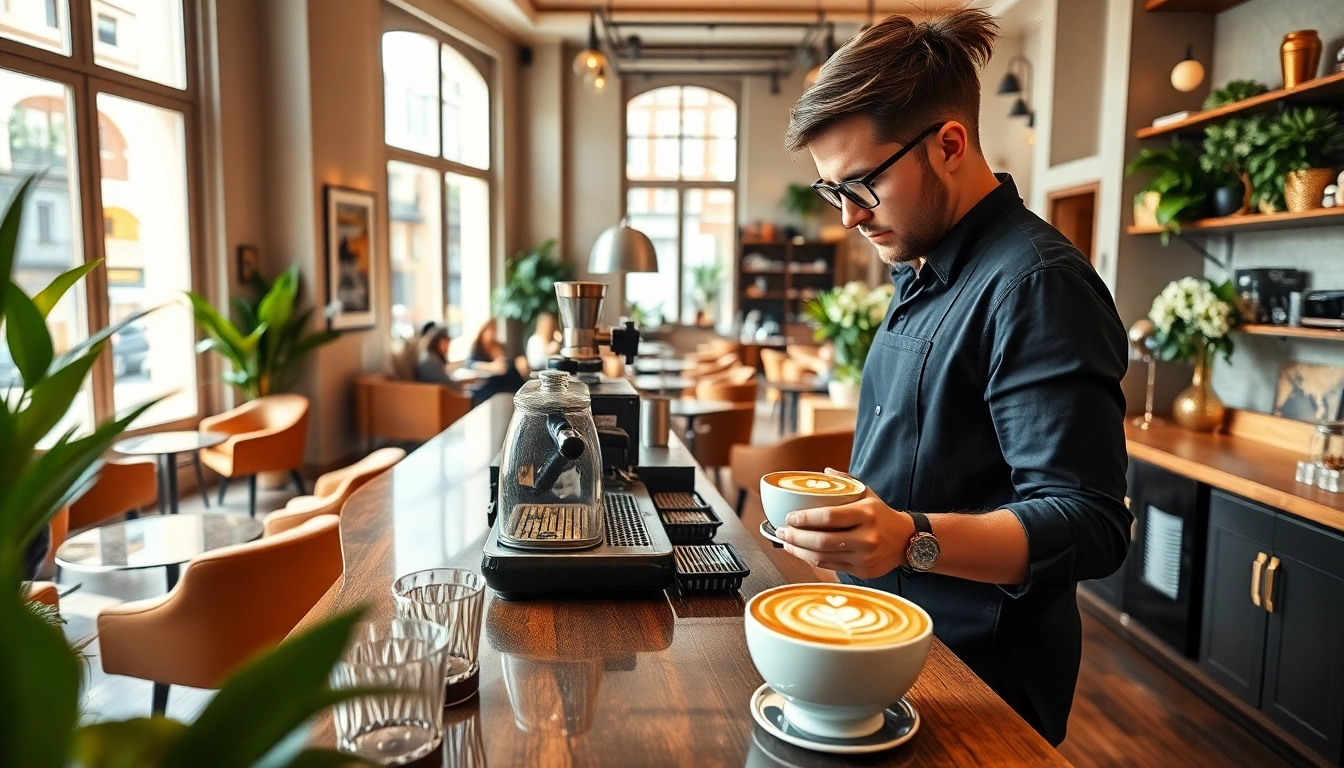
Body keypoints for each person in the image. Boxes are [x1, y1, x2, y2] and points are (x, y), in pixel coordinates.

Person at [775, 9, 1129, 746]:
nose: (847, 217)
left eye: (862, 185)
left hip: (976, 680)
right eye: (830, 192)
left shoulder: (1035, 285)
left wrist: (910, 540)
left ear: (950, 143)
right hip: (889, 652)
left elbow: (1090, 522)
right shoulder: (922, 267)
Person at [466, 319, 526, 405]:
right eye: (490, 329)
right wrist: (491, 366)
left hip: (502, 378)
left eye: (494, 329)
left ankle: (524, 392)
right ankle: (524, 392)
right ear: (483, 330)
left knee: (512, 372)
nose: (492, 332)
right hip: (487, 383)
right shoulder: (477, 347)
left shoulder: (499, 345)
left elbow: (509, 360)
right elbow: (470, 364)